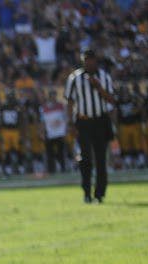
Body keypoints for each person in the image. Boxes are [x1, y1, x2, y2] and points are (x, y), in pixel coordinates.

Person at [64, 50, 115, 203]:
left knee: (101, 159)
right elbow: (70, 102)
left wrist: (98, 87)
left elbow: (111, 100)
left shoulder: (104, 76)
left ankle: (100, 193)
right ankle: (86, 192)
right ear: (83, 61)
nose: (89, 63)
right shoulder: (74, 78)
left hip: (100, 121)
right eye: (86, 60)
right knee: (85, 158)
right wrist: (70, 123)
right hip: (83, 121)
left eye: (91, 60)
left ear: (96, 61)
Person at [40, 90, 69, 174]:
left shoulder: (61, 106)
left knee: (61, 152)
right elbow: (42, 121)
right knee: (50, 153)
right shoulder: (43, 107)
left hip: (60, 133)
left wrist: (66, 128)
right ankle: (51, 170)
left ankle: (63, 168)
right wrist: (42, 131)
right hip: (50, 133)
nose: (53, 97)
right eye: (52, 96)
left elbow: (66, 118)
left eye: (54, 95)